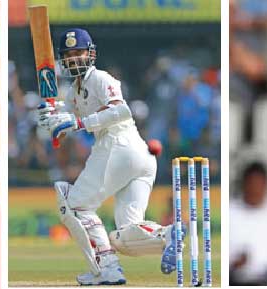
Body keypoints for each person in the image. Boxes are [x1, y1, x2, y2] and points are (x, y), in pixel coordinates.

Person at [37, 28, 172, 285]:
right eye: (70, 54)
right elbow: (61, 130)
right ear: (63, 60)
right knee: (122, 235)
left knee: (75, 206)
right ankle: (168, 235)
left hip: (119, 145)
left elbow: (122, 110)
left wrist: (77, 123)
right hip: (137, 157)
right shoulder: (73, 93)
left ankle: (107, 268)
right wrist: (50, 120)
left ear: (91, 54)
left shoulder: (100, 78)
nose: (75, 59)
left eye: (79, 53)